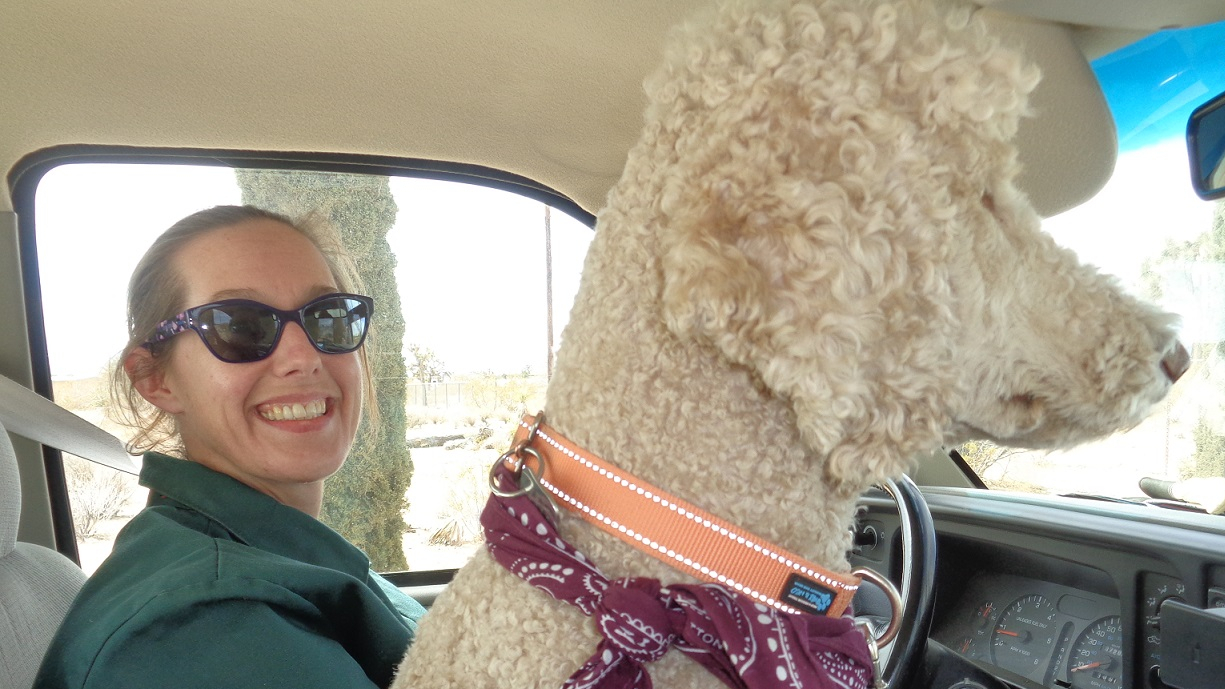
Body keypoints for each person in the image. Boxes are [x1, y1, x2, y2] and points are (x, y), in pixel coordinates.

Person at [34, 205, 426, 688]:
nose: (304, 356)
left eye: (328, 318)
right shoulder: (202, 624)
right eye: (239, 326)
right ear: (155, 379)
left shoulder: (284, 557)